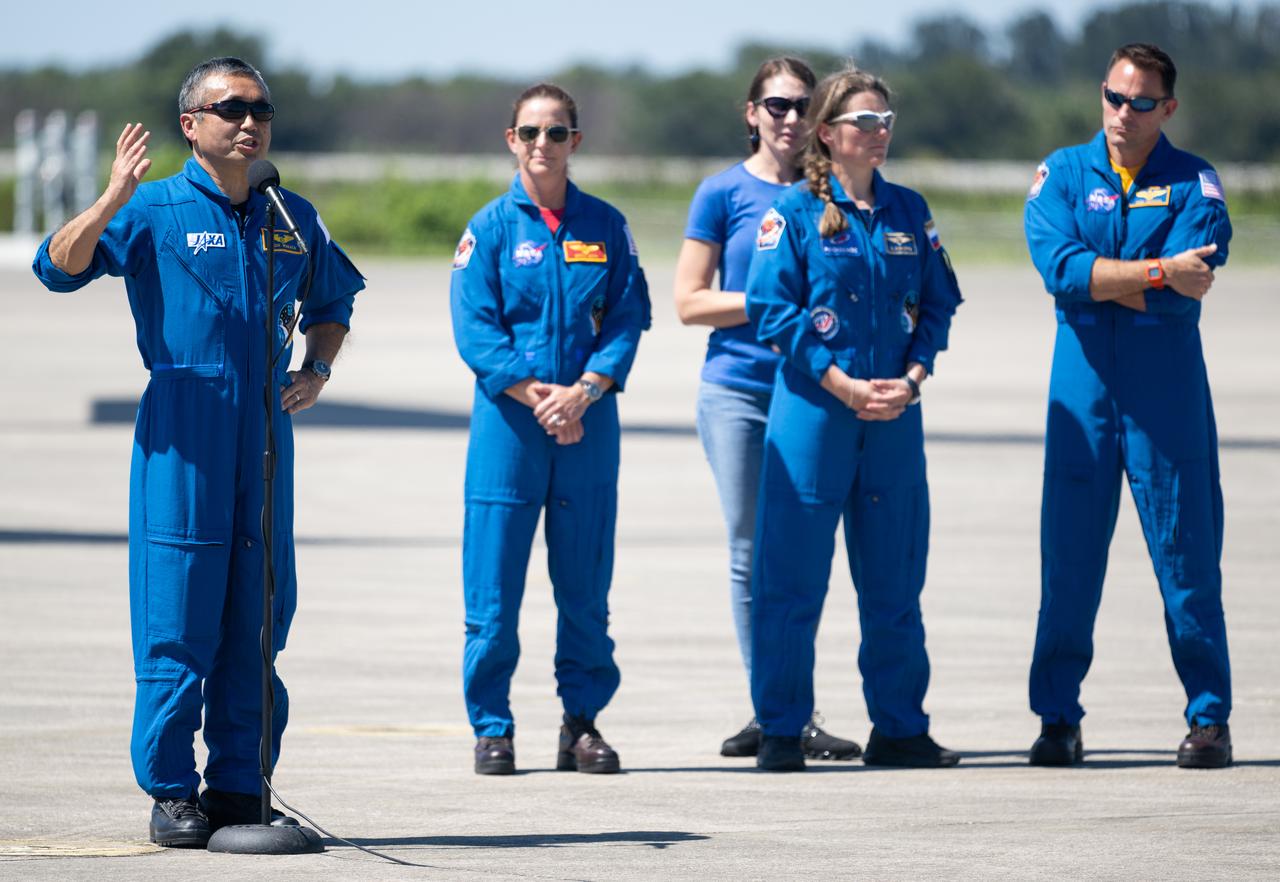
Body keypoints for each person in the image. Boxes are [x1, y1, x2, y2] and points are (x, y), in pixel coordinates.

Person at [31, 57, 365, 845]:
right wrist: (112, 196)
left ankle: (240, 788)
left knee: (258, 618)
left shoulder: (291, 214)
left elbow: (335, 296)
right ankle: (172, 791)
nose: (249, 122)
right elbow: (58, 267)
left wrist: (317, 366)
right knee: (177, 618)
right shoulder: (153, 209)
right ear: (192, 126)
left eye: (261, 108)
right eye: (230, 109)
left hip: (263, 439)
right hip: (183, 429)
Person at [744, 68, 963, 772]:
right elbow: (773, 312)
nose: (878, 133)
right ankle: (781, 728)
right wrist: (840, 383)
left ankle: (899, 728)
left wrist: (914, 378)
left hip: (894, 421)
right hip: (815, 418)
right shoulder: (794, 214)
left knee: (896, 585)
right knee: (791, 584)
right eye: (863, 122)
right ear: (828, 133)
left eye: (885, 121)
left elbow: (938, 305)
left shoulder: (909, 211)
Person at [1023, 43, 1233, 768]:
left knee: (1188, 557)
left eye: (1140, 102)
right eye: (1114, 96)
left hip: (1164, 390)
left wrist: (1105, 280)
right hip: (1082, 392)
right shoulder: (1063, 173)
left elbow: (1194, 274)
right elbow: (1061, 270)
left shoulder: (1194, 181)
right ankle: (1058, 719)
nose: (1122, 112)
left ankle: (1209, 719)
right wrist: (1150, 274)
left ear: (1167, 108)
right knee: (1068, 561)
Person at [450, 83, 649, 777]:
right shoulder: (490, 229)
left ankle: (582, 724)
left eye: (556, 133)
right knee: (493, 591)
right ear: (511, 139)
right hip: (510, 426)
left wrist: (586, 392)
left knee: (586, 587)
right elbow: (475, 327)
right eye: (530, 132)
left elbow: (628, 316)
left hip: (588, 425)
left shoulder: (606, 225)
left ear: (576, 142)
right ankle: (493, 726)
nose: (543, 145)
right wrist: (541, 398)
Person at [674, 57, 861, 762]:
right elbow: (690, 301)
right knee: (753, 552)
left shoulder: (830, 192)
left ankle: (791, 706)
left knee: (803, 555)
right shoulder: (723, 193)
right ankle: (774, 708)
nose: (789, 118)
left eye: (802, 106)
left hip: (816, 389)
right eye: (775, 105)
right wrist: (775, 303)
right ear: (750, 112)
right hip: (741, 390)